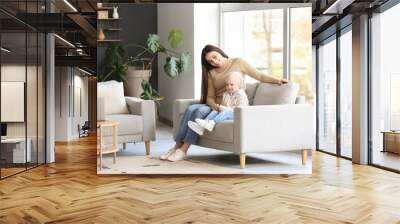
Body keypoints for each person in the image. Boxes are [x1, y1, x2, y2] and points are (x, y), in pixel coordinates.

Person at [161, 44, 288, 162]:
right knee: (191, 109)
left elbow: (259, 76)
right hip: (215, 105)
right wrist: (214, 106)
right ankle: (176, 147)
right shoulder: (211, 72)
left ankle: (183, 150)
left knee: (197, 111)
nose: (214, 62)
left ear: (220, 52)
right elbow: (210, 96)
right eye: (210, 61)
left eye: (215, 57)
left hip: (230, 106)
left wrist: (277, 80)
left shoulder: (238, 62)